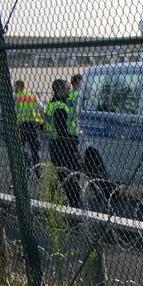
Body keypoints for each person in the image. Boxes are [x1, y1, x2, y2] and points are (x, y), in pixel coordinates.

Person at [46, 79, 82, 208]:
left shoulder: (53, 104)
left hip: (55, 145)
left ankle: (72, 204)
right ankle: (75, 207)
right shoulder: (60, 108)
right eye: (67, 88)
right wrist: (72, 150)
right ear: (59, 90)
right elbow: (62, 132)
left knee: (66, 176)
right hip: (63, 146)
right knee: (71, 177)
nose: (69, 90)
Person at [13, 80, 44, 169]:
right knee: (35, 148)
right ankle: (38, 169)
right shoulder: (32, 96)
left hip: (22, 125)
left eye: (15, 86)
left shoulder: (15, 96)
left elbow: (13, 111)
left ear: (19, 86)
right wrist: (42, 122)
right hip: (33, 125)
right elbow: (42, 109)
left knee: (20, 146)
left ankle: (27, 163)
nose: (14, 88)